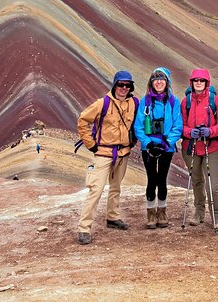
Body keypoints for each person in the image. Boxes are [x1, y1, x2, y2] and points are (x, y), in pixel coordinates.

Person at [76, 71, 139, 245]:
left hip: (123, 152)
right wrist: (91, 144)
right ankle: (84, 228)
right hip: (103, 153)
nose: (124, 88)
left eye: (127, 85)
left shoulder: (134, 103)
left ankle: (112, 217)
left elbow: (138, 123)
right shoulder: (101, 103)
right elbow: (82, 120)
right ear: (114, 85)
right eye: (121, 84)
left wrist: (133, 141)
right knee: (96, 190)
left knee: (116, 187)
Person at [133, 67, 183, 229]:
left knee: (162, 178)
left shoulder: (174, 102)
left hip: (166, 147)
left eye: (162, 79)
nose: (159, 82)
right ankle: (150, 213)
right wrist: (148, 143)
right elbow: (138, 126)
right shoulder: (145, 101)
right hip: (149, 147)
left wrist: (166, 143)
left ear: (167, 82)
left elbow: (178, 125)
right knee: (151, 179)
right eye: (156, 79)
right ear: (151, 82)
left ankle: (162, 211)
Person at [180, 68, 218, 230]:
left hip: (210, 147)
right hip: (191, 147)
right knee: (197, 181)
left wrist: (210, 131)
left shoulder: (214, 100)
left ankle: (216, 216)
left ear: (207, 83)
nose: (198, 83)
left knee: (211, 184)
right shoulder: (185, 102)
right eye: (195, 80)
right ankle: (199, 212)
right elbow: (180, 126)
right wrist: (188, 132)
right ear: (191, 83)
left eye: (201, 81)